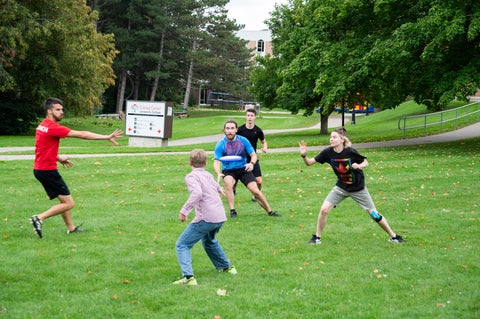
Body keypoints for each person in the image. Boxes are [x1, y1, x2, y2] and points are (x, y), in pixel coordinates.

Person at [30, 97, 122, 238]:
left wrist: (58, 158)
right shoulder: (53, 127)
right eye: (58, 110)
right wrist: (106, 137)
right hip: (47, 171)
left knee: (63, 201)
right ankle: (39, 218)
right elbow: (82, 134)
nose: (61, 112)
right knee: (69, 203)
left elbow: (41, 148)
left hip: (41, 169)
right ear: (49, 111)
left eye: (62, 109)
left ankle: (71, 228)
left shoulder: (42, 125)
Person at [299, 128, 405, 244]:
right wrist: (304, 156)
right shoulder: (327, 152)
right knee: (324, 210)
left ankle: (394, 236)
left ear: (342, 140)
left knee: (374, 214)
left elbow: (365, 162)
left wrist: (360, 166)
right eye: (331, 137)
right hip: (341, 187)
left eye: (334, 137)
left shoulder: (350, 152)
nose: (331, 139)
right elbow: (309, 163)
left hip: (358, 188)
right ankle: (317, 238)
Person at [173, 149, 237, 286]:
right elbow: (217, 187)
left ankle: (189, 277)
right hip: (220, 217)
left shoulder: (191, 177)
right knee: (209, 241)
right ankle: (227, 267)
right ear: (206, 163)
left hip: (206, 218)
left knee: (182, 244)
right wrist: (220, 190)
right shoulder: (208, 174)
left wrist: (184, 211)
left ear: (190, 162)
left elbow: (197, 193)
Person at [213, 120, 281, 218]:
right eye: (227, 128)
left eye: (232, 128)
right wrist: (218, 173)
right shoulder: (221, 144)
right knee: (228, 183)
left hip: (243, 168)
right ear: (224, 130)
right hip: (229, 170)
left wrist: (252, 164)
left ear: (236, 130)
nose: (230, 131)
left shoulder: (243, 140)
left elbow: (253, 154)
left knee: (255, 191)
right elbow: (216, 161)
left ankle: (270, 211)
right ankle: (232, 211)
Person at [237, 108, 267, 202]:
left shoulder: (258, 130)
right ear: (245, 116)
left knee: (259, 181)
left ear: (255, 117)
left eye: (251, 116)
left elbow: (263, 141)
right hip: (241, 158)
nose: (250, 117)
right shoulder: (240, 130)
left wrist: (265, 147)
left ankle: (255, 195)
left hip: (253, 158)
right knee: (235, 178)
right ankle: (232, 191)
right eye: (248, 115)